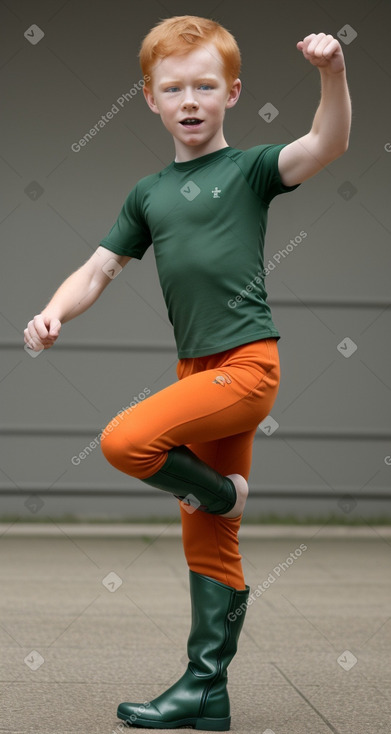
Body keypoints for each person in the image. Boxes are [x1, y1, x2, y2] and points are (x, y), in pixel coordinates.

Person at [24, 15, 351, 731]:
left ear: (232, 92)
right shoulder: (148, 195)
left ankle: (223, 495)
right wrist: (54, 312)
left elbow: (327, 144)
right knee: (208, 539)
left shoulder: (250, 170)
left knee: (123, 442)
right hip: (195, 368)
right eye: (174, 88)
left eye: (206, 85)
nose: (191, 99)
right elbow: (98, 269)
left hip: (246, 364)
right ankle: (205, 692)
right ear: (150, 99)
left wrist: (330, 73)